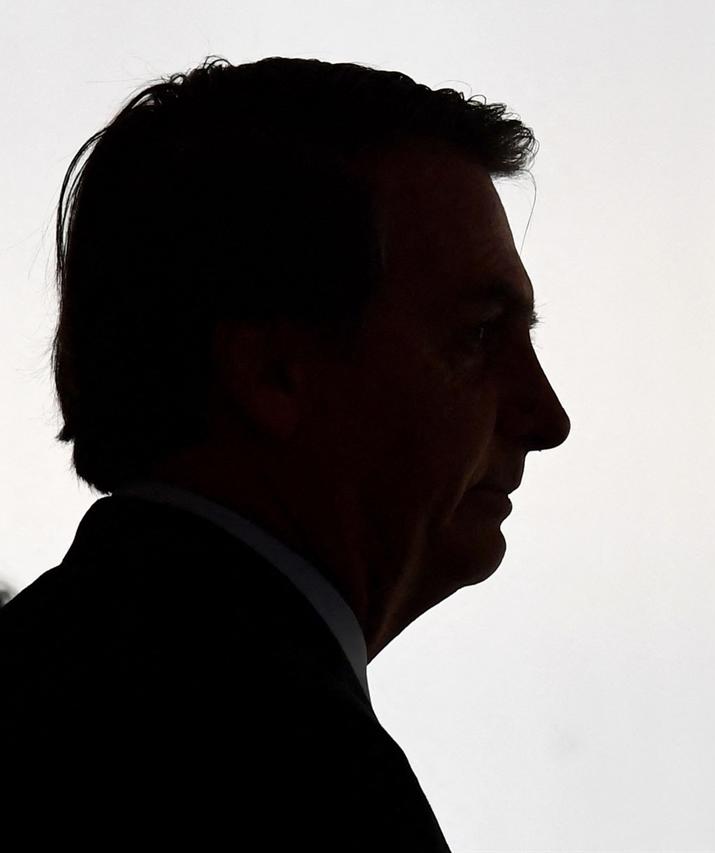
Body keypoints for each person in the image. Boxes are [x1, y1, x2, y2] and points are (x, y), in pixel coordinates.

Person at [0, 56, 571, 849]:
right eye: (477, 336)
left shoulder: (49, 677)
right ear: (274, 375)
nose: (548, 417)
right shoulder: (284, 770)